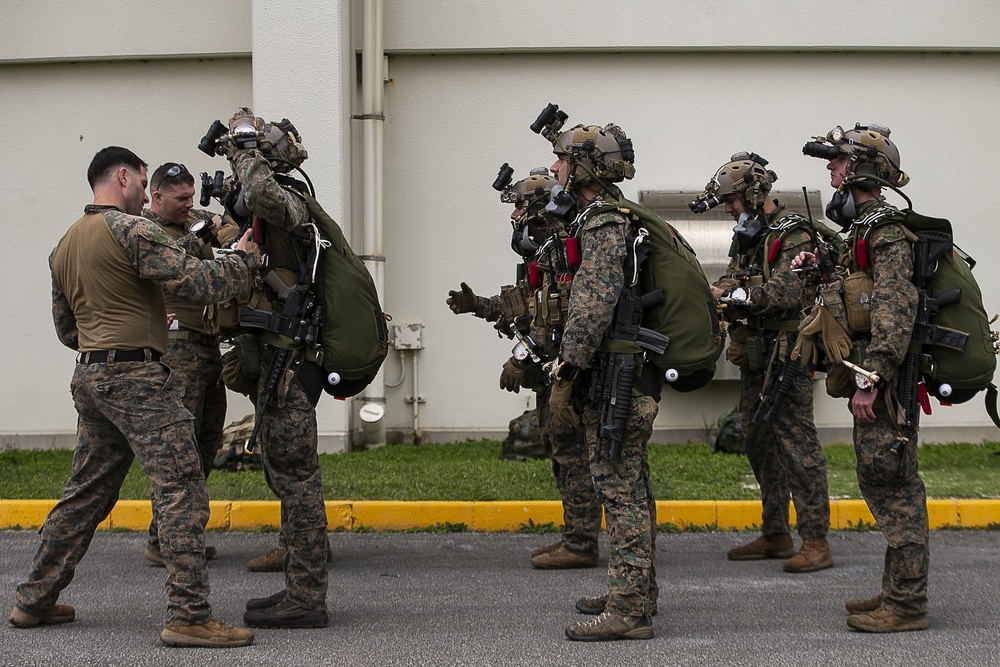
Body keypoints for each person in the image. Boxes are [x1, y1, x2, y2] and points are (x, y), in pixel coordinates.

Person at [9, 146, 260, 648]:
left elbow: (66, 330)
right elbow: (196, 283)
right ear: (122, 176)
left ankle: (33, 599)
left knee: (87, 491)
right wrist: (243, 262)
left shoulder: (65, 244)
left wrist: (112, 331)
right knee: (181, 485)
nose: (146, 195)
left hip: (91, 376)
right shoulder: (131, 230)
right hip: (137, 379)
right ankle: (188, 616)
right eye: (143, 183)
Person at [793, 123, 928, 633]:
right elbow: (858, 296)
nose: (830, 169)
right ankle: (898, 590)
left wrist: (873, 377)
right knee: (882, 479)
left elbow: (895, 307)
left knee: (895, 485)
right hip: (873, 372)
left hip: (884, 377)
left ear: (861, 171)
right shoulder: (863, 231)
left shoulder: (887, 232)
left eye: (836, 161)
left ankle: (909, 604)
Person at [206, 108, 329, 629]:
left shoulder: (290, 201)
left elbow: (258, 195)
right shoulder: (269, 208)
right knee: (284, 472)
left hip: (293, 361)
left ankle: (307, 598)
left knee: (298, 478)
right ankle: (298, 589)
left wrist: (242, 146)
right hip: (278, 359)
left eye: (253, 152)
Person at [447, 167, 602, 570]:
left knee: (573, 456)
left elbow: (555, 316)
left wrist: (518, 357)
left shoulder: (563, 247)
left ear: (536, 209)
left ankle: (582, 542)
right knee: (560, 452)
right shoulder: (544, 251)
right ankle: (575, 536)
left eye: (518, 206)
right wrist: (478, 305)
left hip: (569, 371)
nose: (513, 215)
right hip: (550, 371)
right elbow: (525, 303)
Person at [538, 119, 657, 641]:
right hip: (618, 370)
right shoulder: (605, 216)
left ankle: (629, 612)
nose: (554, 168)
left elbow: (592, 303)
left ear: (583, 167)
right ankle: (636, 591)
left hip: (615, 374)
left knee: (619, 488)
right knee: (632, 486)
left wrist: (566, 370)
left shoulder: (603, 220)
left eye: (562, 159)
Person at [691, 153, 833, 572]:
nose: (730, 209)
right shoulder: (750, 237)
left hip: (788, 352)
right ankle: (776, 532)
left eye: (732, 200)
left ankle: (816, 540)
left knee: (798, 444)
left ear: (754, 192)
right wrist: (719, 289)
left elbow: (785, 293)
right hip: (756, 351)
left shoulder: (794, 235)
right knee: (757, 437)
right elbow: (736, 276)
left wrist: (734, 298)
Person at [141, 162, 239, 567]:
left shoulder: (193, 219)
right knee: (177, 449)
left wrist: (223, 229)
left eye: (189, 197)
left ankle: (184, 534)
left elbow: (230, 229)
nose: (187, 205)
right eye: (178, 199)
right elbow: (171, 270)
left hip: (207, 345)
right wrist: (201, 237)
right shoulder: (145, 232)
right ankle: (163, 539)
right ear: (156, 196)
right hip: (174, 349)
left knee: (206, 440)